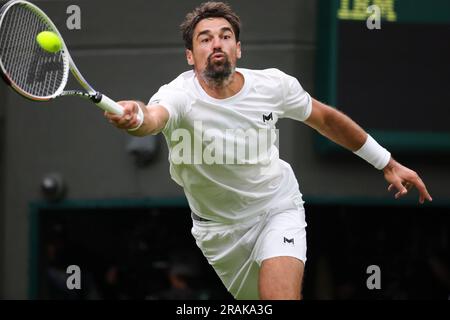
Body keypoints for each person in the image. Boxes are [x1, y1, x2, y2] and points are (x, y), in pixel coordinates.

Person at [104, 2, 432, 300]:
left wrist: (386, 162)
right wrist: (135, 115)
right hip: (219, 232)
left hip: (276, 208)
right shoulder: (176, 94)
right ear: (190, 55)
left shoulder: (274, 86)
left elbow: (326, 120)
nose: (216, 43)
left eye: (225, 35)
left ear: (238, 48)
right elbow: (151, 118)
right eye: (204, 39)